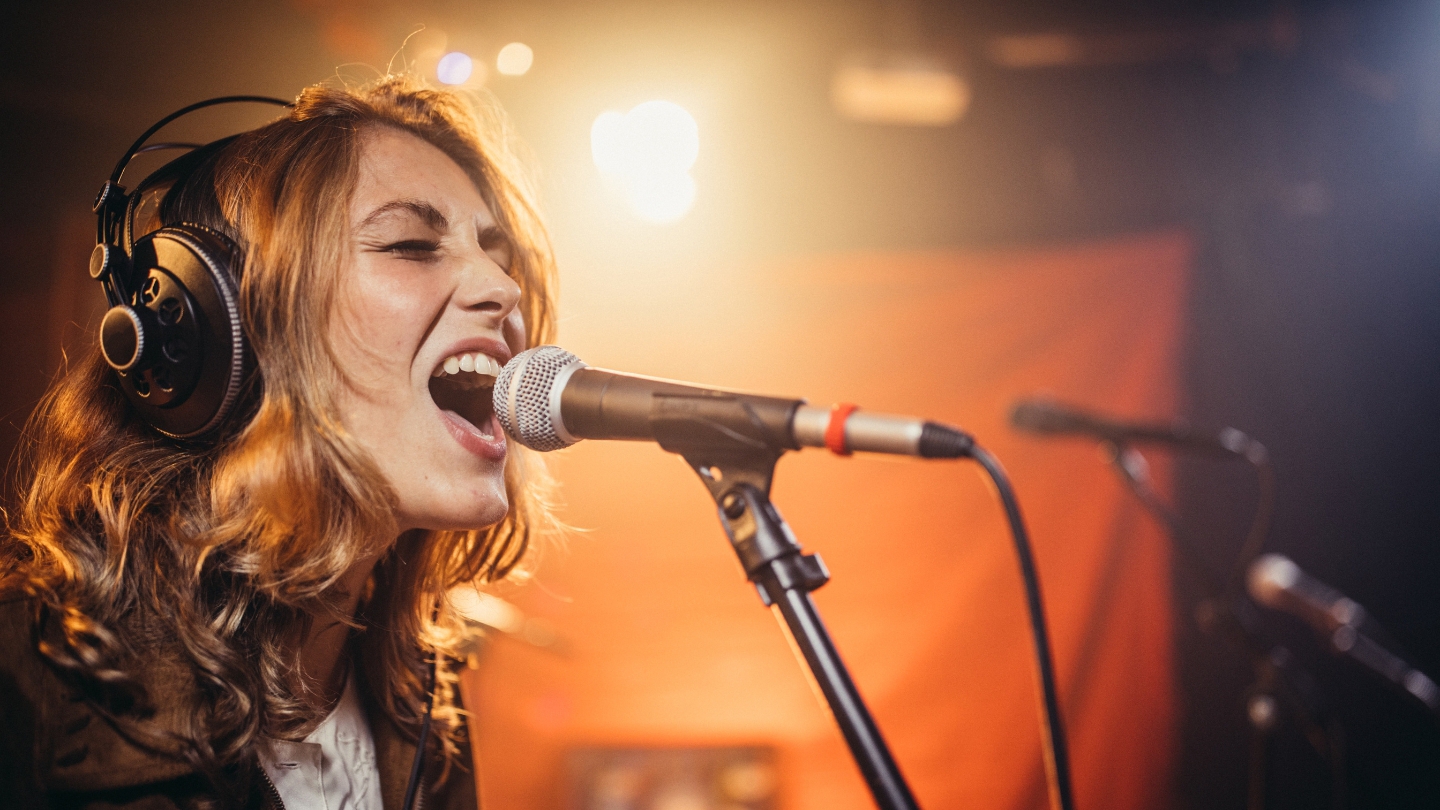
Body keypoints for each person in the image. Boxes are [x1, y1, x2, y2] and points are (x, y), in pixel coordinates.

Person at [0, 74, 558, 809]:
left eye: (497, 252)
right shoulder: (22, 689)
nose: (502, 286)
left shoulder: (424, 704)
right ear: (224, 335)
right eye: (410, 244)